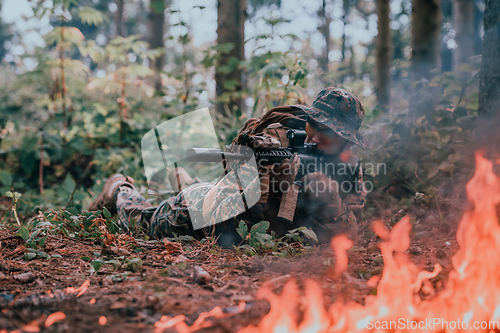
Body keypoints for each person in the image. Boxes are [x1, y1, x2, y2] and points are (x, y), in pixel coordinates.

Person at [87, 88, 369, 245]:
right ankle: (119, 189)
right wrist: (275, 184)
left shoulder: (345, 167)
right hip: (209, 214)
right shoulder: (276, 141)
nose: (315, 137)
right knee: (146, 221)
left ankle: (183, 179)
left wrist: (333, 205)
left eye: (328, 134)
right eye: (312, 126)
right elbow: (239, 204)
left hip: (255, 228)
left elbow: (350, 235)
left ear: (347, 141)